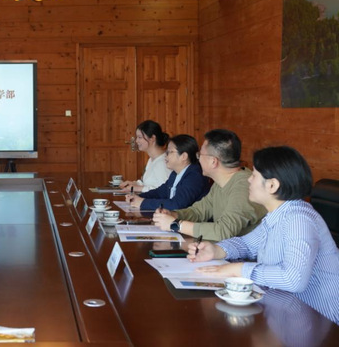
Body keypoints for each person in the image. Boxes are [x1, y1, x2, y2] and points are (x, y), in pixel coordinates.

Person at [187, 146, 339, 324]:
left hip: (322, 321)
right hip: (287, 313)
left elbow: (294, 279)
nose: (249, 180)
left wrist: (239, 269)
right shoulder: (277, 215)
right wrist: (216, 250)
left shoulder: (299, 219)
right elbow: (247, 244)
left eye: (254, 175)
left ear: (272, 185)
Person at [153, 129, 266, 240]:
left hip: (248, 252)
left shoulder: (244, 185)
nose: (198, 160)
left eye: (200, 155)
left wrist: (176, 225)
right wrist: (174, 215)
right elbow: (199, 211)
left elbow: (224, 230)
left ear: (213, 161)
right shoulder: (220, 182)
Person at [124, 134, 210, 211]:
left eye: (170, 152)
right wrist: (138, 197)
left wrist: (143, 202)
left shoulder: (194, 176)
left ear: (183, 156)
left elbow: (177, 204)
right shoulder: (175, 173)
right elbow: (160, 192)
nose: (166, 155)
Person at [119, 120, 171, 193]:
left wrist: (137, 188)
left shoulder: (162, 162)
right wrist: (135, 184)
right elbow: (149, 183)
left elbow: (165, 191)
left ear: (152, 138)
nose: (136, 141)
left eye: (140, 137)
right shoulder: (152, 159)